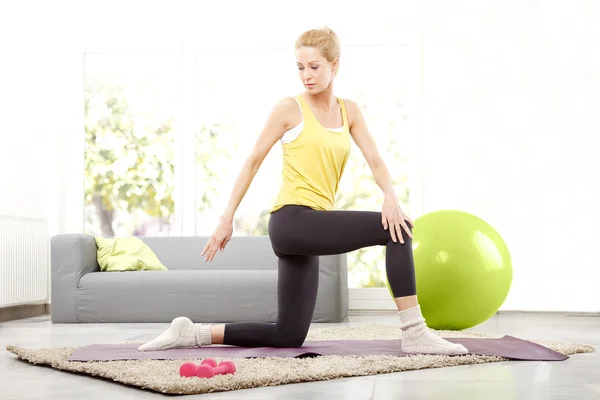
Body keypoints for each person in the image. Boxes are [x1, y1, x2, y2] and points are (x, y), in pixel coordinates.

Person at [139, 27, 468, 356]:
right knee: (398, 231)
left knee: (289, 334)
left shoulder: (348, 111)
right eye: (300, 67)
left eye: (314, 67)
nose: (306, 75)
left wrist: (390, 197)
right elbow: (253, 161)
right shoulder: (289, 109)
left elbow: (376, 161)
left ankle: (192, 333)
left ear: (334, 64)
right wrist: (227, 218)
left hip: (311, 226)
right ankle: (414, 332)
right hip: (291, 221)